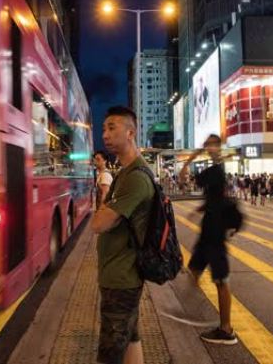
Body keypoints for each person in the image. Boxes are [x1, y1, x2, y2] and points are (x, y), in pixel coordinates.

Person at [90, 106, 154, 364]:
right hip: (121, 274)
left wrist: (104, 208)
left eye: (112, 127)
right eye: (104, 128)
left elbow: (98, 224)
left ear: (130, 132)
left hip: (122, 278)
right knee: (130, 338)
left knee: (109, 353)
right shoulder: (125, 173)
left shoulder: (135, 178)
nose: (105, 134)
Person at [180, 134, 240, 345]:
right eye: (209, 146)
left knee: (221, 279)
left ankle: (226, 329)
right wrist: (199, 209)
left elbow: (183, 179)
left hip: (214, 232)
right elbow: (214, 197)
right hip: (208, 230)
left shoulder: (215, 170)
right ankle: (191, 311)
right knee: (194, 269)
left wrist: (191, 158)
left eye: (214, 145)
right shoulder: (217, 169)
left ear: (218, 148)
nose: (211, 148)